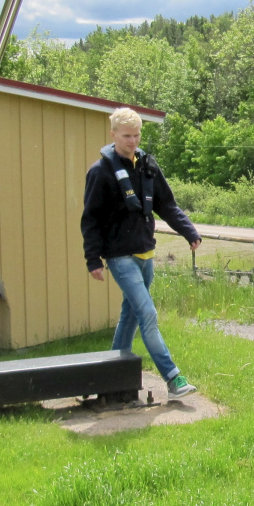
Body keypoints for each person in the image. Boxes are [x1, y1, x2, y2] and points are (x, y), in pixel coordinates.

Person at [81, 107, 202, 398]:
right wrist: (92, 259)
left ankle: (109, 378)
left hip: (146, 254)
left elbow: (167, 204)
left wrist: (189, 231)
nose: (132, 141)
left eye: (136, 136)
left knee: (131, 315)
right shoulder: (100, 173)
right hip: (120, 257)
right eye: (126, 136)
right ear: (113, 135)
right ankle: (173, 379)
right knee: (147, 313)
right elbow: (91, 219)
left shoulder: (148, 165)